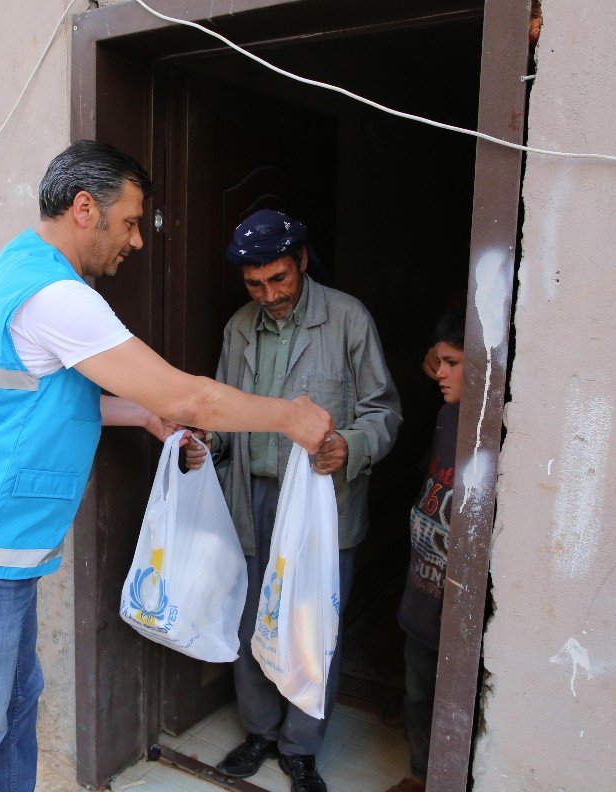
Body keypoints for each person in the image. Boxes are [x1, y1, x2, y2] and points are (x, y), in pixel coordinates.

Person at [0, 142, 334, 792]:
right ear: (83, 208)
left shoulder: (19, 262)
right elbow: (190, 396)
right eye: (128, 222)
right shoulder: (58, 297)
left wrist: (141, 417)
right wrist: (291, 417)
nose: (136, 240)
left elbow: (43, 394)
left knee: (13, 712)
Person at [186, 209, 402, 792]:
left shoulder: (347, 319)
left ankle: (300, 746)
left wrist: (350, 446)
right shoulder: (239, 328)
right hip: (253, 497)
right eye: (255, 284)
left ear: (302, 261)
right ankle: (258, 730)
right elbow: (226, 415)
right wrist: (207, 445)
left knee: (311, 624)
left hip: (320, 505)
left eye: (279, 279)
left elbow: (385, 413)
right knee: (251, 615)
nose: (269, 294)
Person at [385, 309, 465, 792]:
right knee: (418, 693)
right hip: (421, 595)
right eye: (439, 361)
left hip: (453, 608)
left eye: (453, 363)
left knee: (451, 703)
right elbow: (432, 361)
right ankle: (418, 774)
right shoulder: (447, 415)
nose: (439, 372)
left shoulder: (495, 431)